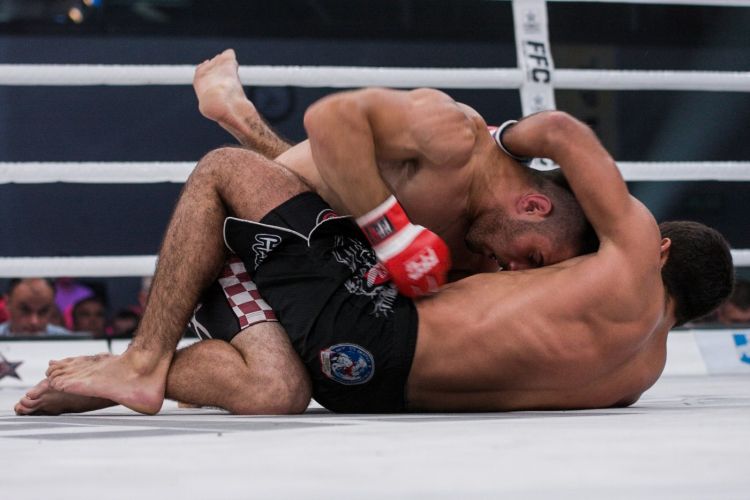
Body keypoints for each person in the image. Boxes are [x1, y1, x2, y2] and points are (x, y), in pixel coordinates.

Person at [17, 108, 732, 416]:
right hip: (366, 389)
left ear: (662, 250)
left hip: (373, 325)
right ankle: (114, 375)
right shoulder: (639, 377)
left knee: (223, 169)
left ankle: (141, 363)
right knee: (273, 390)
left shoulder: (635, 249)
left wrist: (496, 146)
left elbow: (567, 131)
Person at [0, 278, 72, 336]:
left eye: (43, 311)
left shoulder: (69, 343)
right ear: (7, 304)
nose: (34, 322)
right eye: (25, 310)